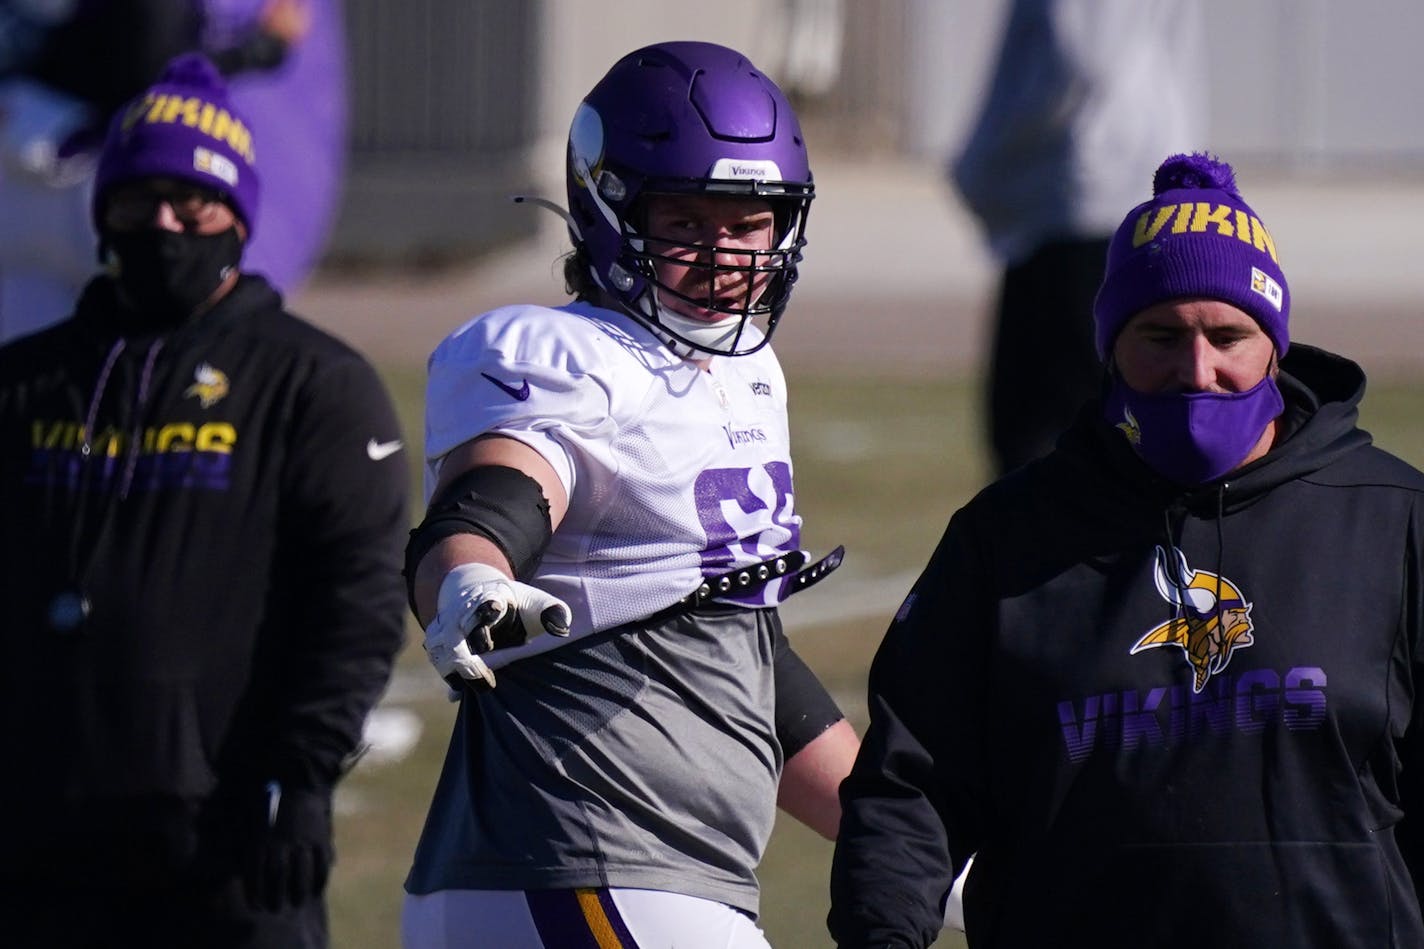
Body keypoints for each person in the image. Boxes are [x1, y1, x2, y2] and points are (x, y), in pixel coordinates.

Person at [828, 152, 1424, 947]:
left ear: (1274, 344)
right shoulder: (1008, 539)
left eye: (1228, 335)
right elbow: (913, 791)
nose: (1197, 369)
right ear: (1109, 346)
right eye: (1161, 336)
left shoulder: (1392, 520)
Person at [400, 40, 860, 949]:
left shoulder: (749, 375)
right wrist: (471, 580)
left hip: (652, 881)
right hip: (575, 863)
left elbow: (751, 665)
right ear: (609, 211)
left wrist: (909, 834)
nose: (726, 254)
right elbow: (491, 502)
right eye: (688, 221)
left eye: (750, 221)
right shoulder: (567, 359)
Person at [0, 53, 407, 949]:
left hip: (224, 839)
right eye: (140, 199)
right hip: (37, 840)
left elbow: (356, 602)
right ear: (103, 212)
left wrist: (299, 780)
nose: (167, 224)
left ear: (239, 216)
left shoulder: (315, 385)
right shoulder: (25, 385)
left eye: (195, 202)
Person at [951, 0, 1205, 476]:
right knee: (1108, 429)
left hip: (1079, 207)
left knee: (1045, 439)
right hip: (1110, 200)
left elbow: (1081, 60)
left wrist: (987, 162)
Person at [0, 0, 319, 343]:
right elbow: (155, 67)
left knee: (26, 358)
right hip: (88, 174)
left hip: (19, 163)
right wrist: (263, 47)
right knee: (148, 355)